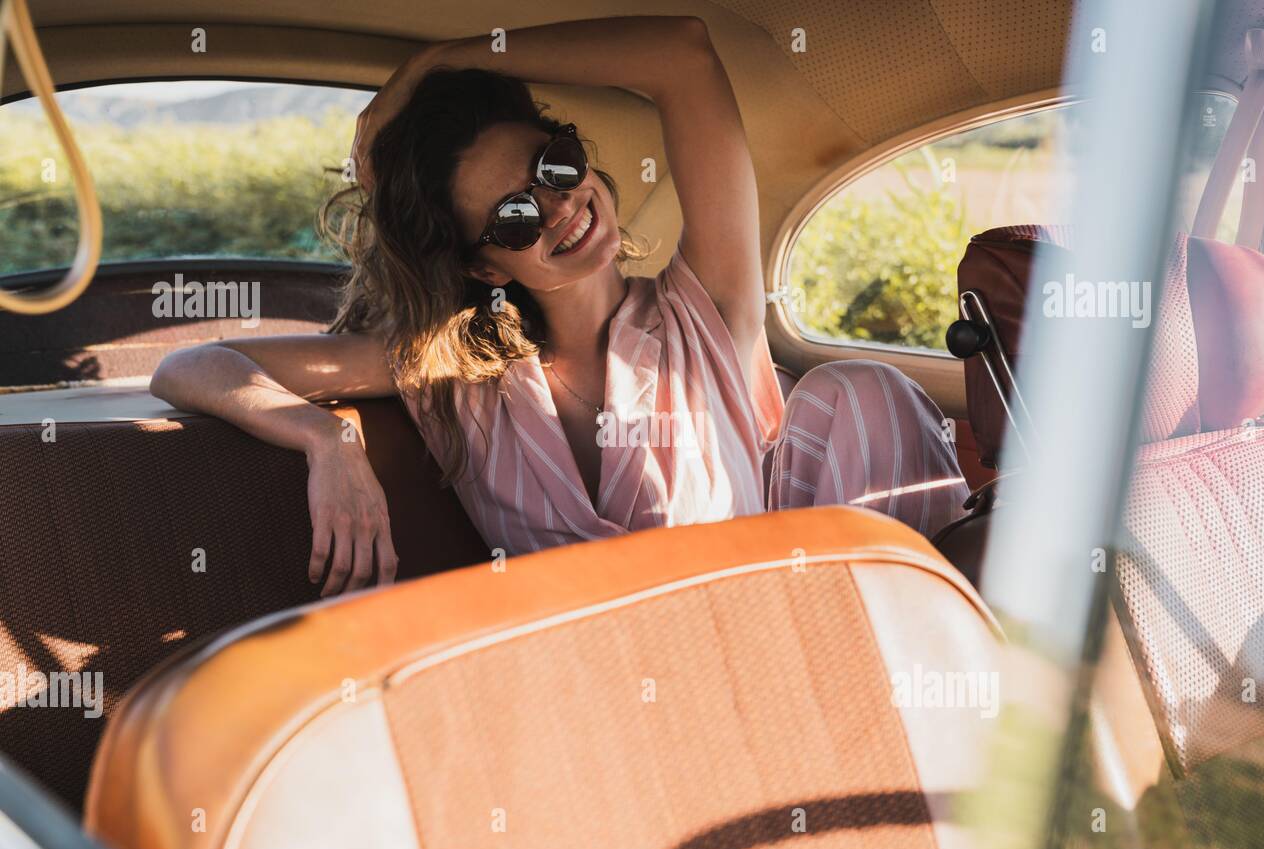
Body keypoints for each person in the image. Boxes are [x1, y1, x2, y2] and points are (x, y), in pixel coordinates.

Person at [150, 16, 968, 597]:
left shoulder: (708, 309)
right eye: (513, 216)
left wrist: (437, 61)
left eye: (554, 164)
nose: (556, 206)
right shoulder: (453, 374)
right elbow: (189, 365)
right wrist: (323, 439)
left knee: (859, 390)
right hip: (588, 708)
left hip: (776, 658)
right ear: (481, 262)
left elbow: (684, 52)